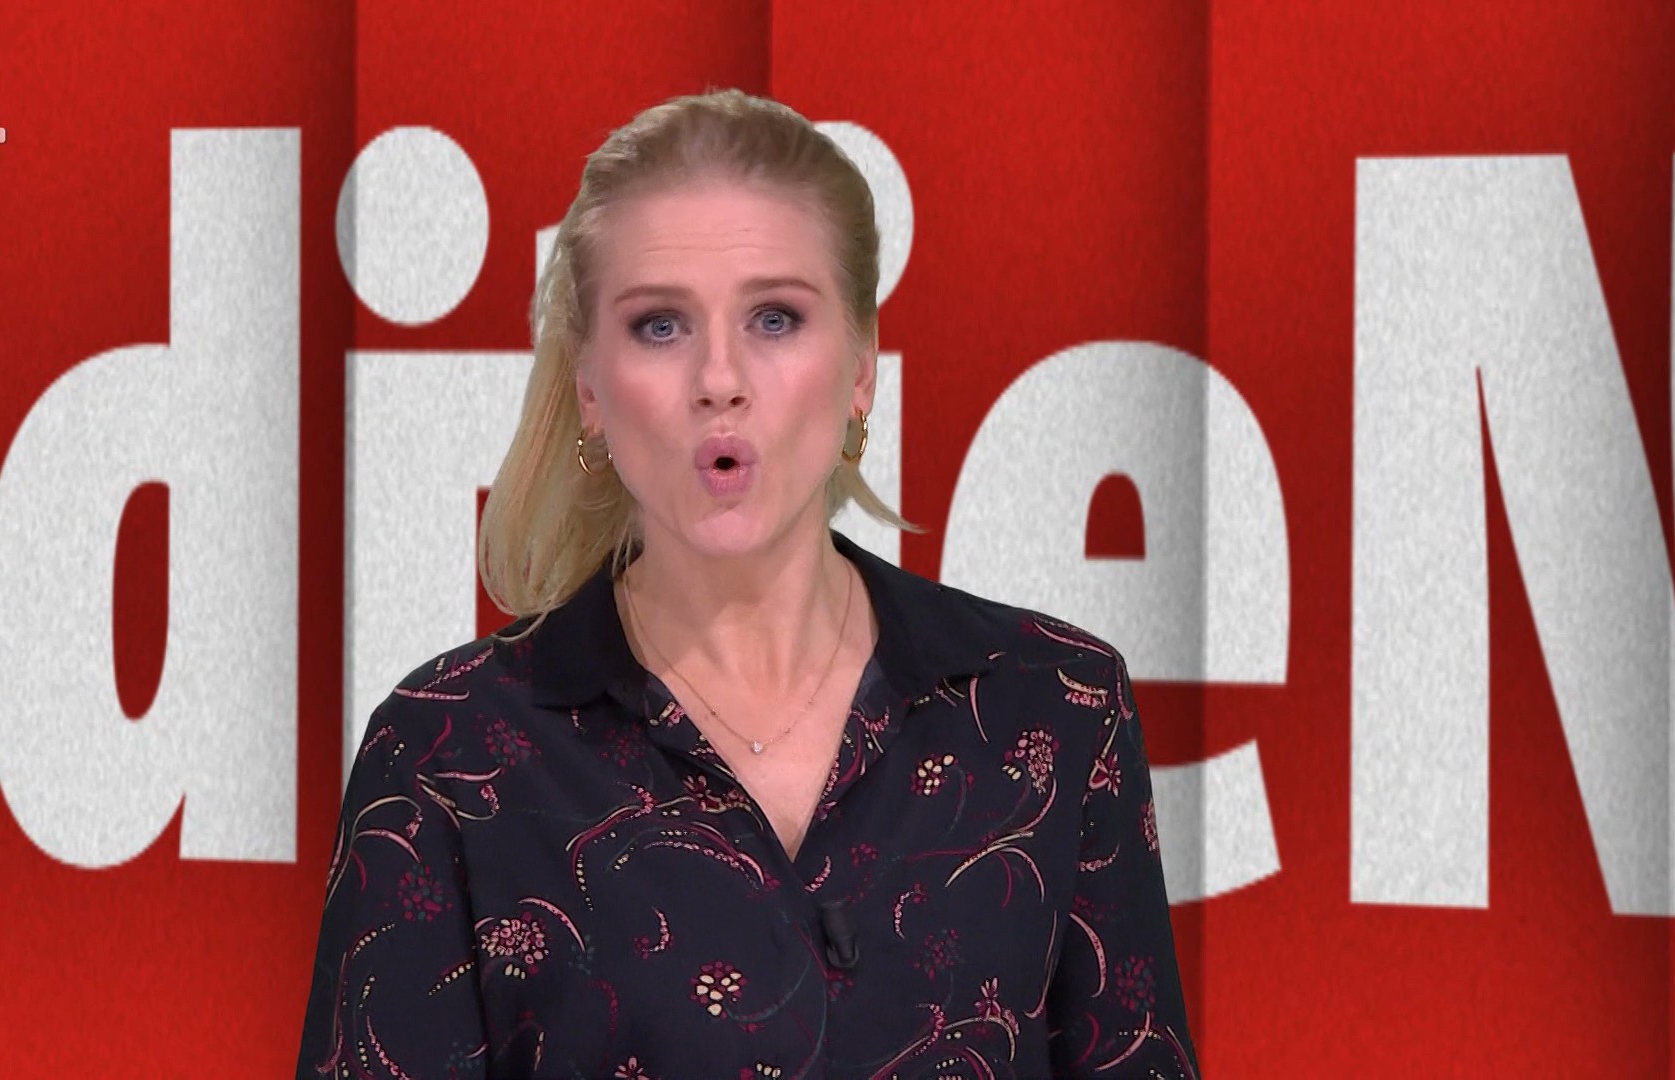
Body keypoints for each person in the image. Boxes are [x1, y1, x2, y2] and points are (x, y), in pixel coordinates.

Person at [296, 88, 1196, 1079]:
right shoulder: (445, 753)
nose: (719, 378)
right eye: (660, 326)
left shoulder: (1055, 705)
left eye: (775, 318)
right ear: (589, 386)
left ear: (862, 367)